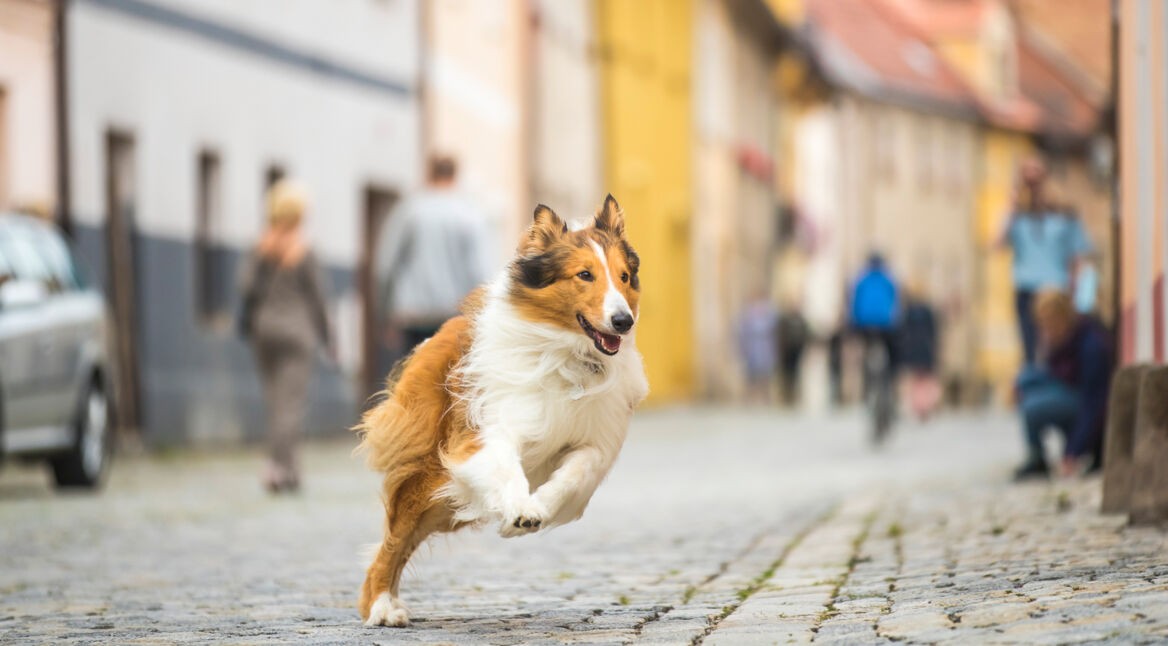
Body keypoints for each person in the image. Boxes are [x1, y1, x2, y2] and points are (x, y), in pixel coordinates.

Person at [239, 180, 331, 493]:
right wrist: (329, 337)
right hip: (297, 332)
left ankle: (287, 468)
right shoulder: (304, 251)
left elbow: (246, 287)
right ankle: (280, 468)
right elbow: (318, 298)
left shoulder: (260, 247)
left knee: (275, 401)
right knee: (290, 404)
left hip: (264, 331)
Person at [375, 155, 492, 363]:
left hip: (412, 315)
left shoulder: (410, 210)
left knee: (411, 377)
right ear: (455, 175)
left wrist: (385, 313)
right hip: (454, 316)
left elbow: (385, 264)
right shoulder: (470, 215)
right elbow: (479, 272)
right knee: (445, 380)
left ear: (429, 173)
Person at [998, 157, 1093, 365]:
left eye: (1037, 179)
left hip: (1056, 289)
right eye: (1027, 180)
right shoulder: (1019, 216)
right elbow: (998, 242)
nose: (1034, 187)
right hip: (1026, 289)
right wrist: (1011, 204)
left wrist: (1082, 299)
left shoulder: (1065, 214)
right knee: (1030, 349)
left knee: (1057, 347)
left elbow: (1080, 259)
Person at [1013, 290, 1111, 481]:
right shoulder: (1063, 340)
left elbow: (1094, 403)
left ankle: (1047, 455)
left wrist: (1072, 452)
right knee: (1025, 380)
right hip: (1069, 389)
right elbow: (1053, 372)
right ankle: (1037, 456)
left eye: (1049, 324)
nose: (1046, 331)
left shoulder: (1091, 344)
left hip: (1082, 401)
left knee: (1032, 407)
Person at [849, 253, 901, 377]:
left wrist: (853, 321)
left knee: (864, 350)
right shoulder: (888, 280)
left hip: (864, 323)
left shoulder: (861, 279)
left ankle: (866, 380)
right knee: (891, 352)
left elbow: (855, 302)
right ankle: (888, 381)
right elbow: (895, 302)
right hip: (885, 323)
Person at [899, 280, 941, 421]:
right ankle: (926, 406)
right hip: (926, 348)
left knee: (916, 379)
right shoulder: (928, 311)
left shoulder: (908, 311)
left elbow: (902, 331)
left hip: (912, 349)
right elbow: (934, 331)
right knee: (926, 379)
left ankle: (918, 406)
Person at [737, 293, 780, 405]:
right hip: (752, 351)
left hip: (766, 350)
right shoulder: (747, 315)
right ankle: (750, 398)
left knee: (766, 376)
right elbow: (741, 333)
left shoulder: (770, 315)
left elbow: (776, 333)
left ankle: (766, 398)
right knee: (751, 376)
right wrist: (742, 349)